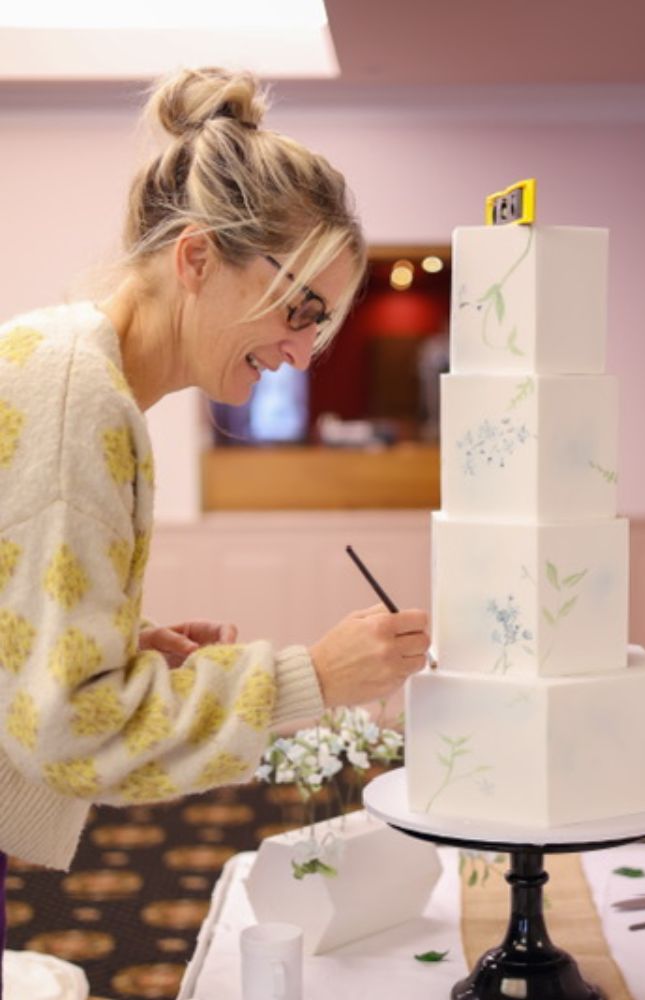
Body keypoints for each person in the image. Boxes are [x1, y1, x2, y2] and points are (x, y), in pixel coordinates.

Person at [0, 65, 430, 966]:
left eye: (321, 325)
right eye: (301, 309)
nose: (304, 353)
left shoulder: (60, 360)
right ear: (196, 258)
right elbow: (72, 733)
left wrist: (108, 644)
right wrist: (312, 676)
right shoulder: (81, 396)